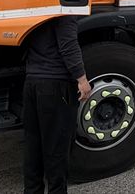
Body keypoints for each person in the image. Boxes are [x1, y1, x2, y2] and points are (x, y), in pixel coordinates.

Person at [23, 15, 91, 194]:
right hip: (56, 86)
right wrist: (82, 79)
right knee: (57, 151)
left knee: (33, 148)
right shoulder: (65, 10)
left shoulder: (39, 8)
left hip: (32, 82)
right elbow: (68, 44)